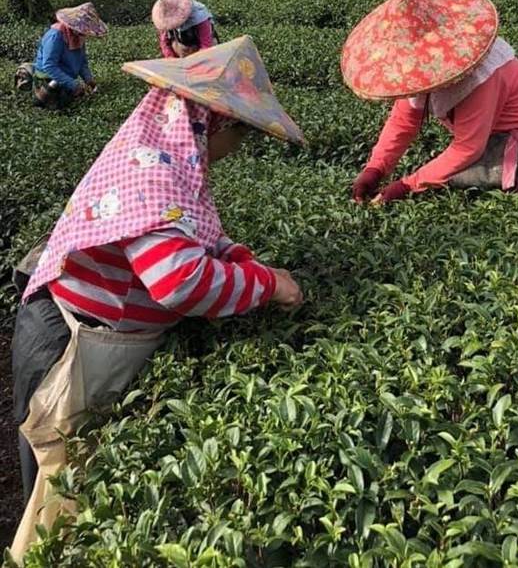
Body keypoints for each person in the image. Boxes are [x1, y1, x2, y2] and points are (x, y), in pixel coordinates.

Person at [10, 36, 304, 562]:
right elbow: (178, 281)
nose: (239, 147)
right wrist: (269, 286)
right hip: (68, 345)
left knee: (60, 480)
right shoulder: (157, 170)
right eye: (241, 131)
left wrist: (238, 257)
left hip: (72, 328)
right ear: (214, 122)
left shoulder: (164, 150)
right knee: (56, 501)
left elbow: (187, 233)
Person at [342, 0, 518, 204]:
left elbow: (468, 148)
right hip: (489, 143)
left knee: (451, 180)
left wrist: (406, 186)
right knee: (441, 174)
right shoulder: (419, 70)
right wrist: (375, 169)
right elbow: (404, 121)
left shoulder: (482, 74)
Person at [31, 2, 107, 109]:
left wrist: (88, 79)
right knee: (62, 102)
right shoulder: (55, 36)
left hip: (66, 75)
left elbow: (82, 62)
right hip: (49, 75)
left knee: (79, 95)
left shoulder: (78, 36)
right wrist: (73, 84)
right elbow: (49, 66)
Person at [152, 0, 218, 57]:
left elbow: (206, 45)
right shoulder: (165, 21)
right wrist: (170, 56)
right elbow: (164, 42)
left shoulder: (199, 17)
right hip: (182, 46)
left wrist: (199, 60)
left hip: (203, 47)